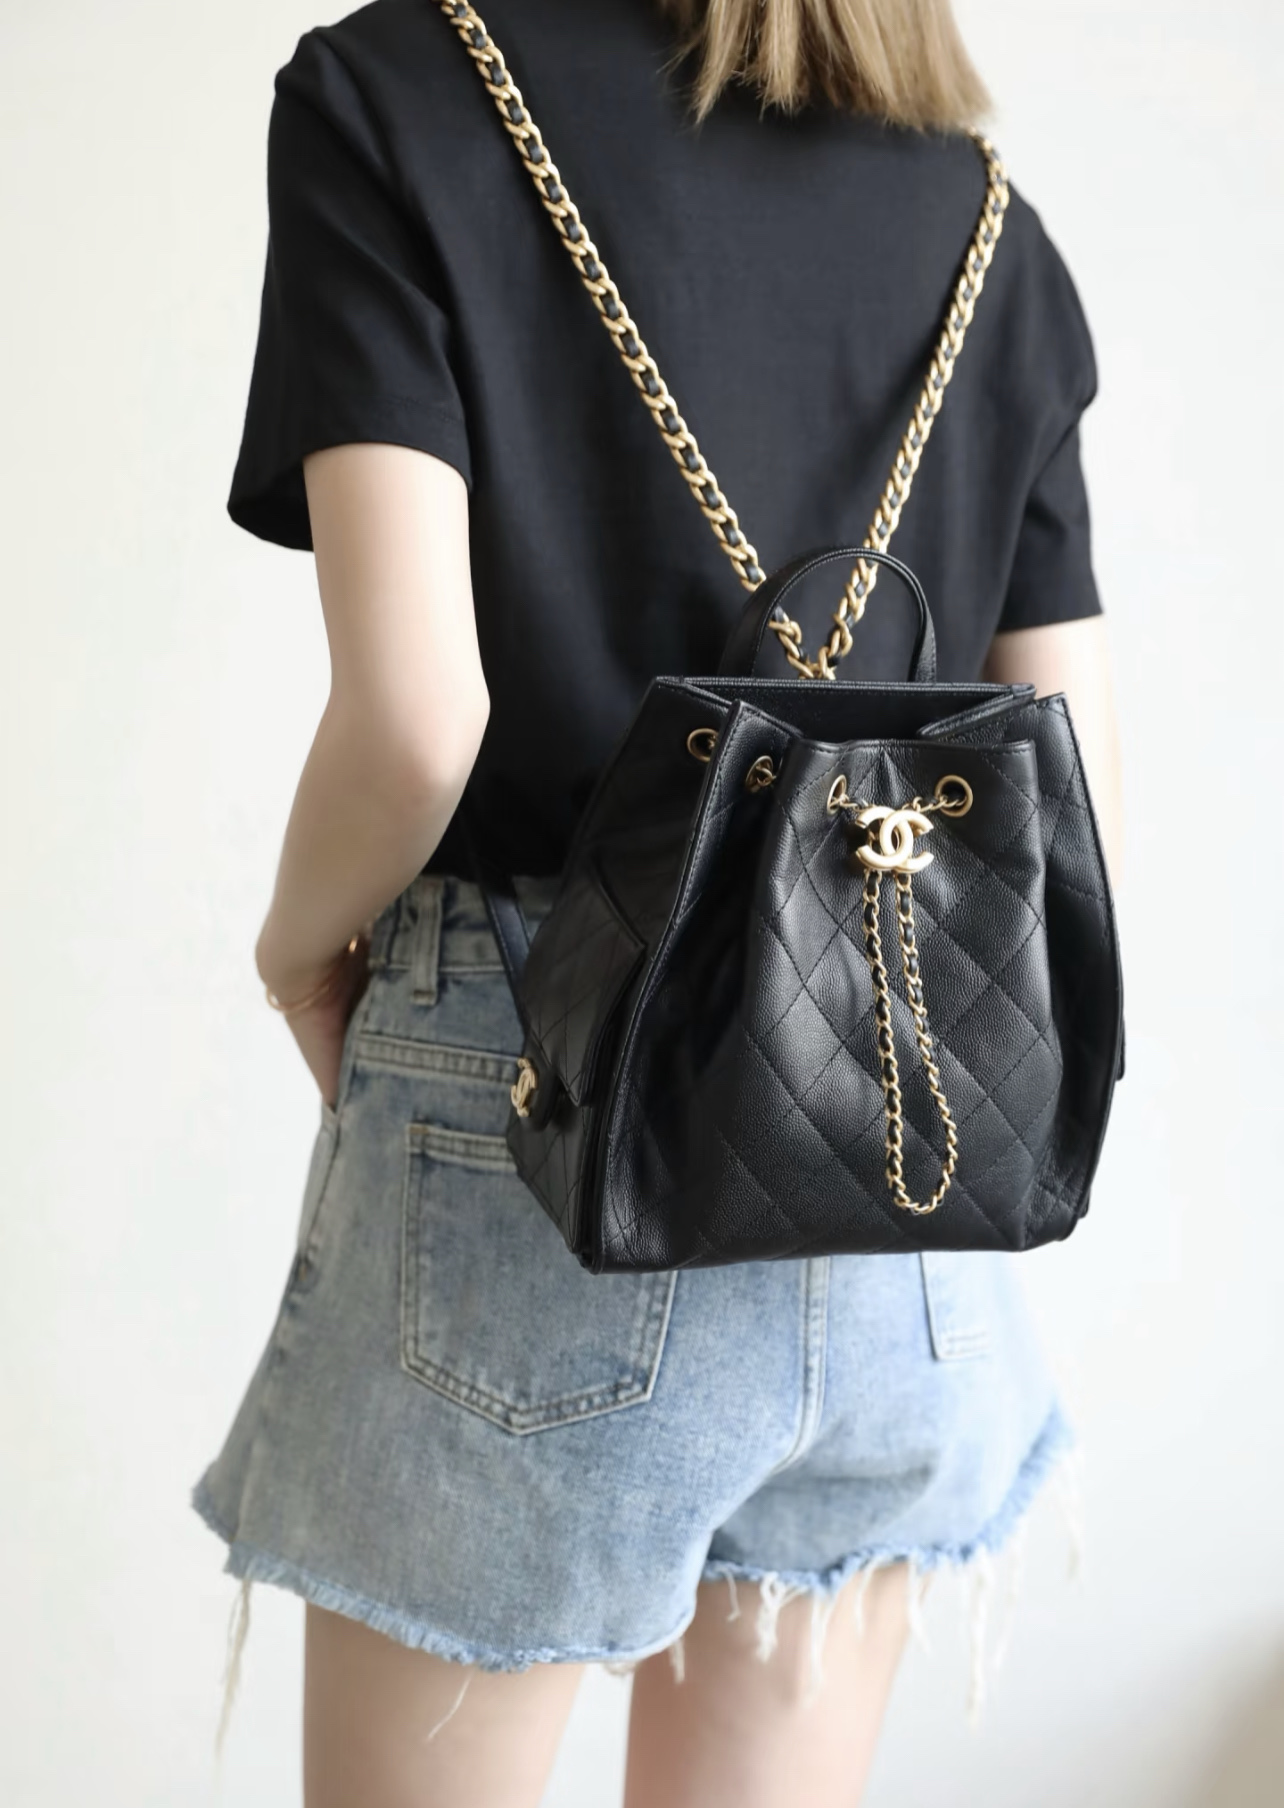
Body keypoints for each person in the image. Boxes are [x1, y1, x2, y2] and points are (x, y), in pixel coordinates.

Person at [192, 1, 1123, 1802]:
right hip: (913, 1176)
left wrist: (300, 952)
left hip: (550, 1128)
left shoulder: (404, 98)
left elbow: (419, 718)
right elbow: (1066, 788)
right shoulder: (988, 229)